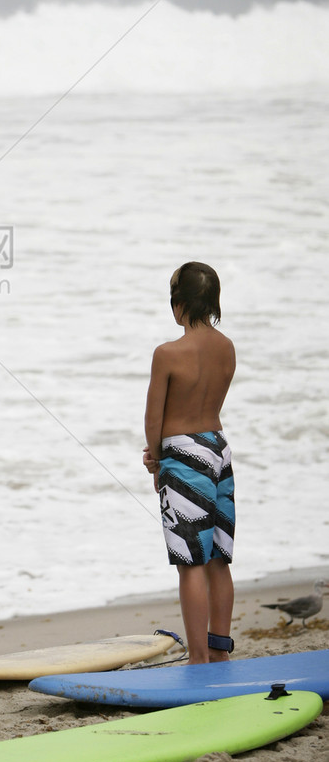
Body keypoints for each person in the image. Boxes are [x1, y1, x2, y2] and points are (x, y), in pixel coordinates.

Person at [143, 262, 236, 665]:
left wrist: (156, 456)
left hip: (182, 455)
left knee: (190, 562)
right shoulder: (227, 346)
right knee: (218, 558)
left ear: (178, 304)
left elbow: (154, 418)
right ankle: (219, 650)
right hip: (218, 449)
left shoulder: (167, 353)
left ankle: (197, 658)